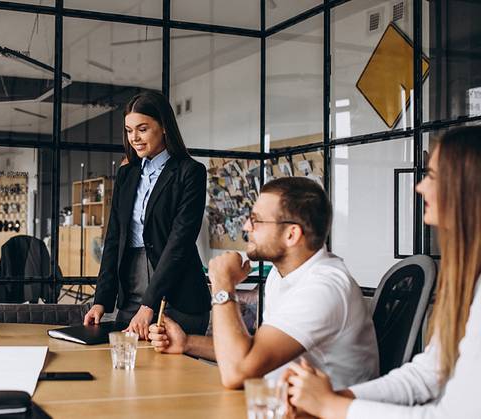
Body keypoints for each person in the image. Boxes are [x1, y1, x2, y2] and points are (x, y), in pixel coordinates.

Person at [284, 127, 481, 419]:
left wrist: (332, 406)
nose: (419, 187)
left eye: (433, 177)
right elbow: (426, 375)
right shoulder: (468, 278)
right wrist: (332, 400)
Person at [148, 177, 378, 390]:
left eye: (256, 220)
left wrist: (223, 285)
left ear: (291, 234)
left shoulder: (323, 288)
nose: (246, 227)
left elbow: (237, 373)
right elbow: (253, 352)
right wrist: (187, 343)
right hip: (282, 405)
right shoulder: (281, 275)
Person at [83, 91, 211, 338]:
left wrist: (149, 304)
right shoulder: (127, 174)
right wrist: (101, 300)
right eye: (129, 130)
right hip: (131, 292)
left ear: (163, 126)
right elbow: (113, 238)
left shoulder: (190, 172)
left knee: (170, 375)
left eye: (142, 129)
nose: (134, 138)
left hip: (179, 295)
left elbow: (179, 243)